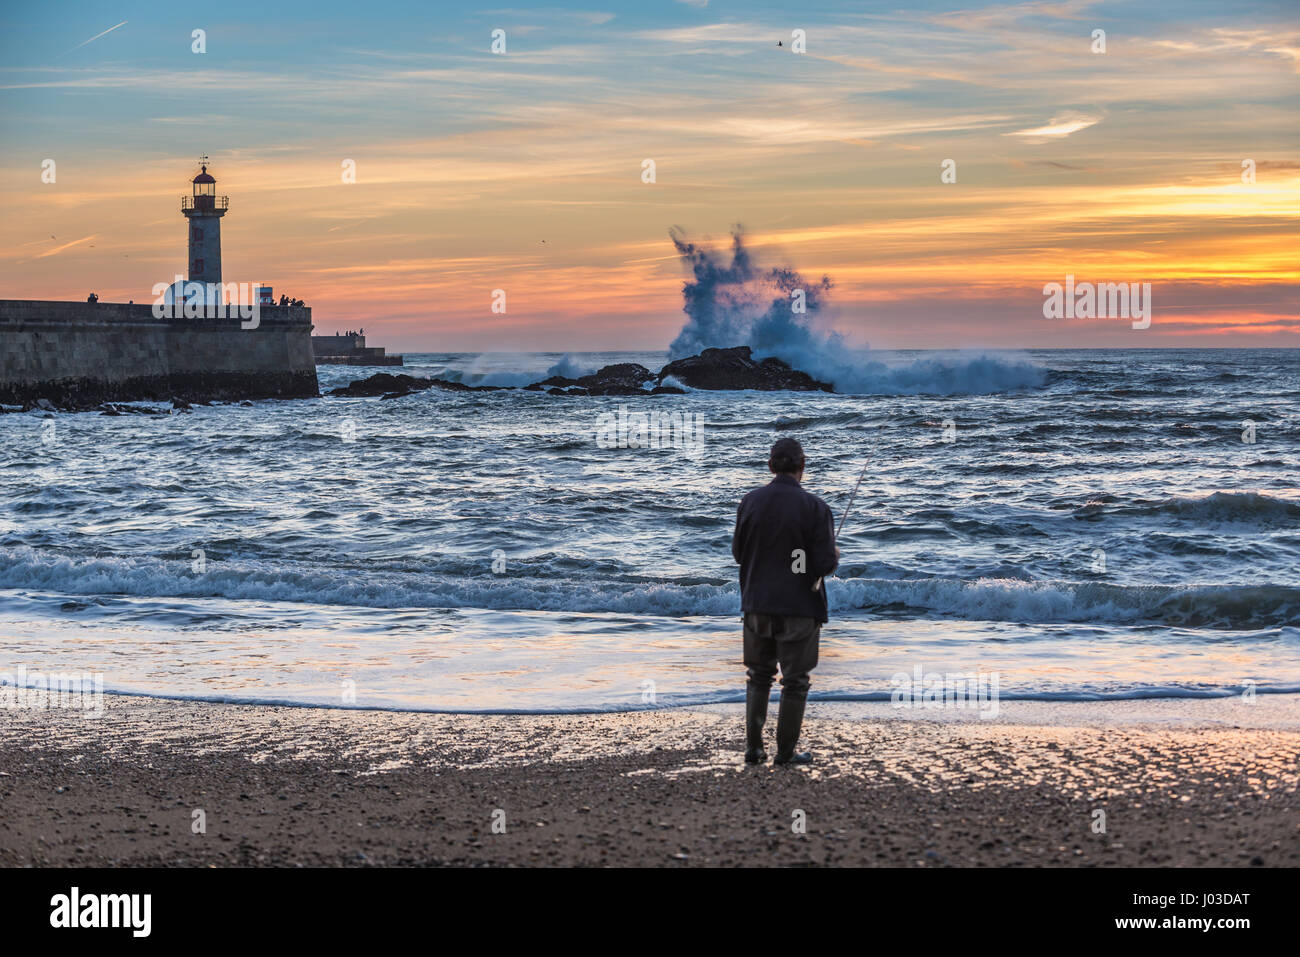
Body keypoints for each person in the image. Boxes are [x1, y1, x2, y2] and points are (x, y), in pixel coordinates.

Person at [731, 437, 838, 765]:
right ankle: (786, 752)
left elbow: (738, 554)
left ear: (771, 466)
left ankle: (754, 748)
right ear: (802, 467)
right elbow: (821, 565)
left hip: (757, 603)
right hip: (799, 609)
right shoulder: (816, 507)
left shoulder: (749, 502)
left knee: (758, 675)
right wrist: (832, 555)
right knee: (795, 681)